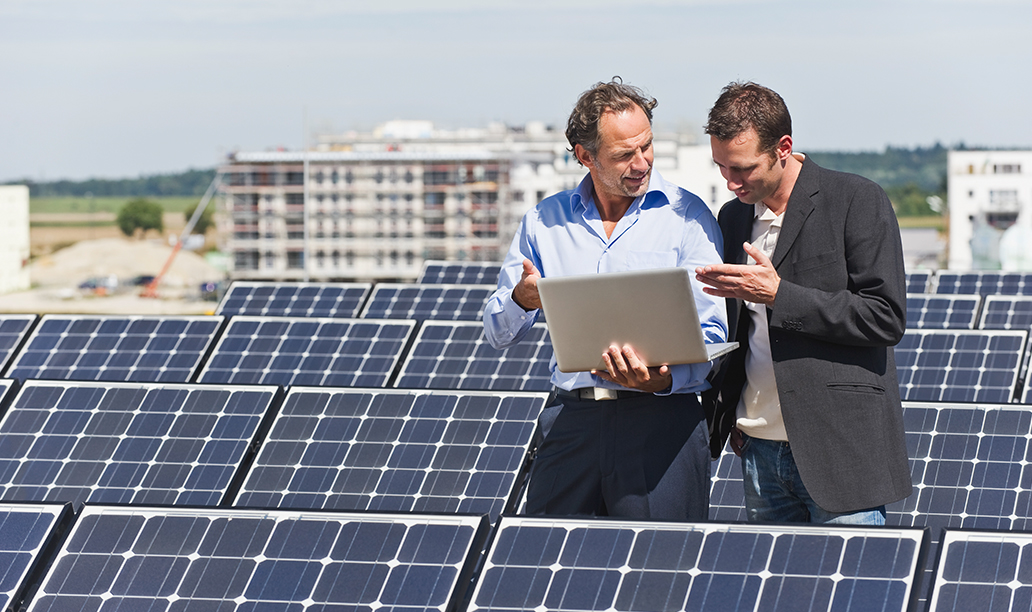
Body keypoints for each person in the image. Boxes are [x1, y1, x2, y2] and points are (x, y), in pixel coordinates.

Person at [483, 78, 727, 520]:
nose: (641, 163)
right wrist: (522, 298)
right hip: (571, 425)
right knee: (544, 562)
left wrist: (661, 380)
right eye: (623, 155)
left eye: (647, 146)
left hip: (662, 425)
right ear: (585, 156)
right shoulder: (543, 221)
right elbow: (497, 333)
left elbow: (712, 335)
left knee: (658, 572)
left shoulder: (688, 218)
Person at [696, 81, 913, 525]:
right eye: (721, 167)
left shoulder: (855, 200)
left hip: (840, 453)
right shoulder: (733, 216)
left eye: (742, 168)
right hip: (758, 451)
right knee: (777, 594)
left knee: (853, 590)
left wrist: (780, 296)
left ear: (783, 147)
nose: (731, 181)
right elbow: (744, 331)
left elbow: (885, 317)